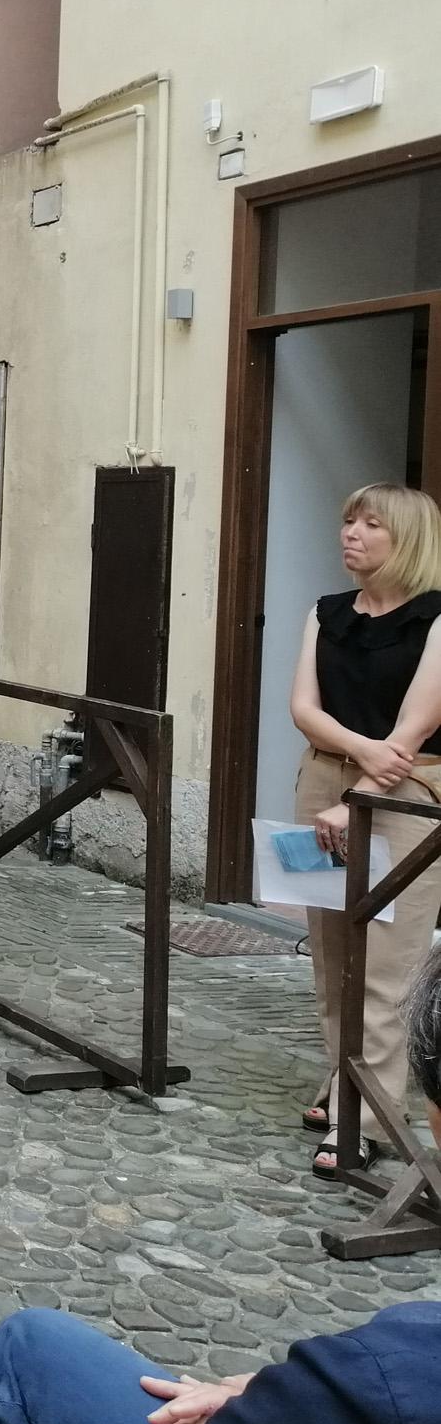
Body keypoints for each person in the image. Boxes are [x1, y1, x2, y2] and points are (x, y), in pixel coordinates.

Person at [0, 945, 441, 1424]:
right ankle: (342, 1094)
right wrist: (289, 1393)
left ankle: (359, 1119)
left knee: (25, 1351)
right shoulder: (382, 1364)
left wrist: (278, 1406)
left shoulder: (385, 1372)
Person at [286, 482, 441, 1176]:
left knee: (386, 960)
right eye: (349, 520)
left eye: (370, 523)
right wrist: (355, 756)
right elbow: (303, 707)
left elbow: (414, 728)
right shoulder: (325, 612)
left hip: (405, 792)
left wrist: (361, 792)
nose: (351, 532)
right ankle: (342, 1076)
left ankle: (370, 1117)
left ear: (406, 537)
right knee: (330, 951)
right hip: (325, 780)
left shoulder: (436, 619)